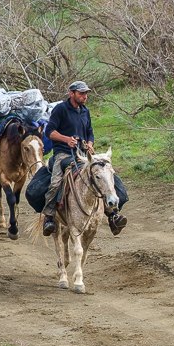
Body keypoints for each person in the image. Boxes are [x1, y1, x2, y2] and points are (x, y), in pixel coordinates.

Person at [43, 81, 127, 237]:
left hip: (83, 154)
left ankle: (113, 214)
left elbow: (90, 132)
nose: (84, 96)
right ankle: (49, 217)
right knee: (55, 182)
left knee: (106, 175)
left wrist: (89, 143)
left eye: (86, 93)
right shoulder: (60, 109)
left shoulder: (85, 111)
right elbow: (50, 132)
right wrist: (66, 139)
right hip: (63, 154)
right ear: (71, 93)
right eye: (81, 93)